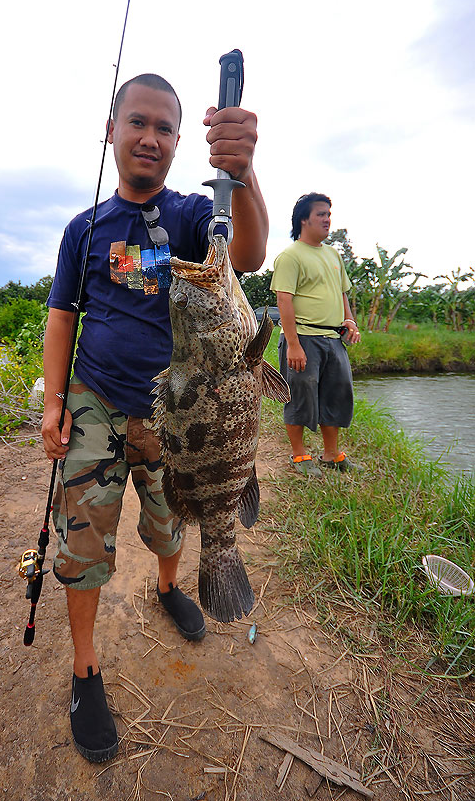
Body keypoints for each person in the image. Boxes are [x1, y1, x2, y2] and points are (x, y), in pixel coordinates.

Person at [41, 73, 268, 762]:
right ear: (111, 130)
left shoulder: (197, 215)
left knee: (171, 519)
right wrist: (54, 400)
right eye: (137, 121)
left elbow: (250, 255)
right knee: (84, 544)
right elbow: (62, 316)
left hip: (179, 418)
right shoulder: (84, 229)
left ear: (176, 141)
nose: (151, 137)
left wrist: (244, 171)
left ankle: (171, 587)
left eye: (166, 128)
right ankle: (86, 670)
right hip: (96, 399)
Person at [270, 192, 362, 478]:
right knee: (300, 395)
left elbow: (342, 293)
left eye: (328, 214)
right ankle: (299, 455)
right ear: (304, 220)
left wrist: (349, 321)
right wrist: (293, 345)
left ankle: (332, 455)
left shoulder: (333, 254)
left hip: (334, 340)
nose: (327, 219)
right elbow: (284, 300)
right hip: (304, 339)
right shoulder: (290, 256)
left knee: (335, 394)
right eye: (321, 214)